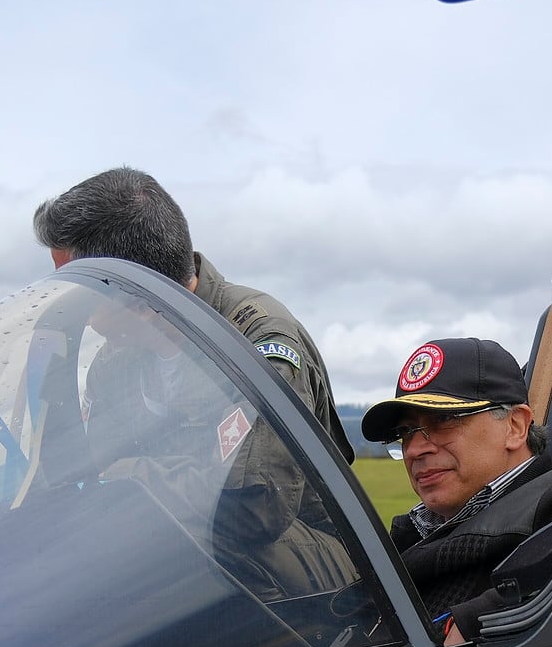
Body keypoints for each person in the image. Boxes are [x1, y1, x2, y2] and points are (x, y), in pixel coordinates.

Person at [32, 167, 353, 462]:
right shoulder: (113, 364)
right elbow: (97, 476)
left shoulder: (256, 340)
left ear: (138, 298)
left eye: (85, 293)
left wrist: (131, 481)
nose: (79, 311)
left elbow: (256, 502)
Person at [361, 338, 552, 645]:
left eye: (443, 420)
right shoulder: (415, 532)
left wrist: (476, 622)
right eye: (405, 433)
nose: (415, 449)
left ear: (516, 426)